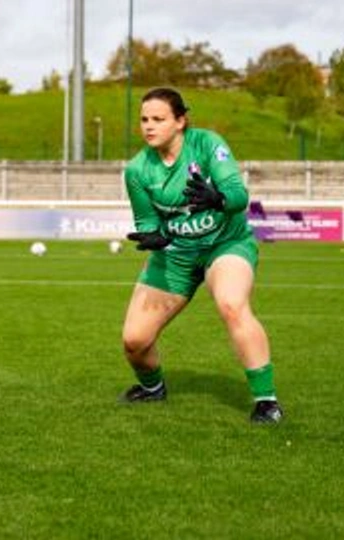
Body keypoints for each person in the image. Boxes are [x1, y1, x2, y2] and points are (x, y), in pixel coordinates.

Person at [119, 87, 283, 424]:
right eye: (144, 120)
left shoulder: (208, 144)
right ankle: (153, 389)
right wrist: (156, 236)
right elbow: (149, 222)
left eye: (159, 119)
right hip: (176, 256)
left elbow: (238, 195)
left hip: (225, 244)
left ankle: (266, 401)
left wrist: (218, 198)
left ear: (180, 121)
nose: (149, 126)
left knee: (231, 303)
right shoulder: (137, 170)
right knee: (135, 340)